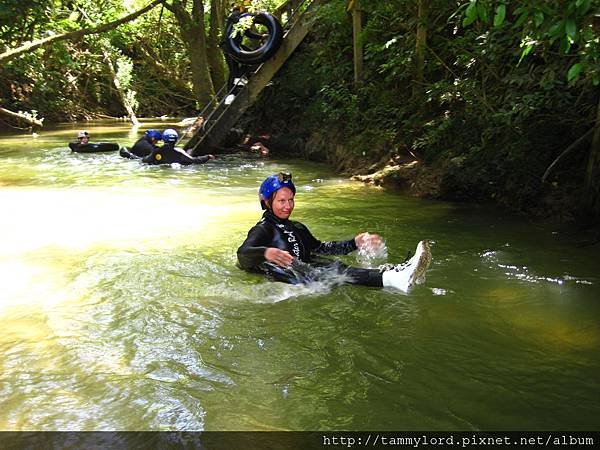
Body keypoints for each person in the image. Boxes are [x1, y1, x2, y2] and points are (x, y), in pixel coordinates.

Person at [237, 173, 432, 291]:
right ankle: (392, 279)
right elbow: (243, 253)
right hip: (293, 282)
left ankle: (393, 274)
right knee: (334, 270)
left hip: (309, 273)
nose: (288, 206)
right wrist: (266, 252)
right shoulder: (263, 229)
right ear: (267, 203)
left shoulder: (297, 227)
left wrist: (354, 243)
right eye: (281, 201)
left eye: (291, 200)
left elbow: (321, 248)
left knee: (331, 265)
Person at [220, 3, 265, 92]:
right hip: (228, 46)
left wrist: (261, 36)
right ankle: (231, 92)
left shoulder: (244, 19)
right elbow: (233, 18)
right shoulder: (236, 14)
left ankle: (240, 80)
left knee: (248, 59)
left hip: (236, 46)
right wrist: (251, 15)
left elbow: (248, 33)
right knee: (234, 69)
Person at [142, 128, 215, 165]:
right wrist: (207, 157)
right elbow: (194, 161)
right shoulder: (179, 152)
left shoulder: (157, 151)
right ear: (176, 140)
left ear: (163, 139)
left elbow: (145, 160)